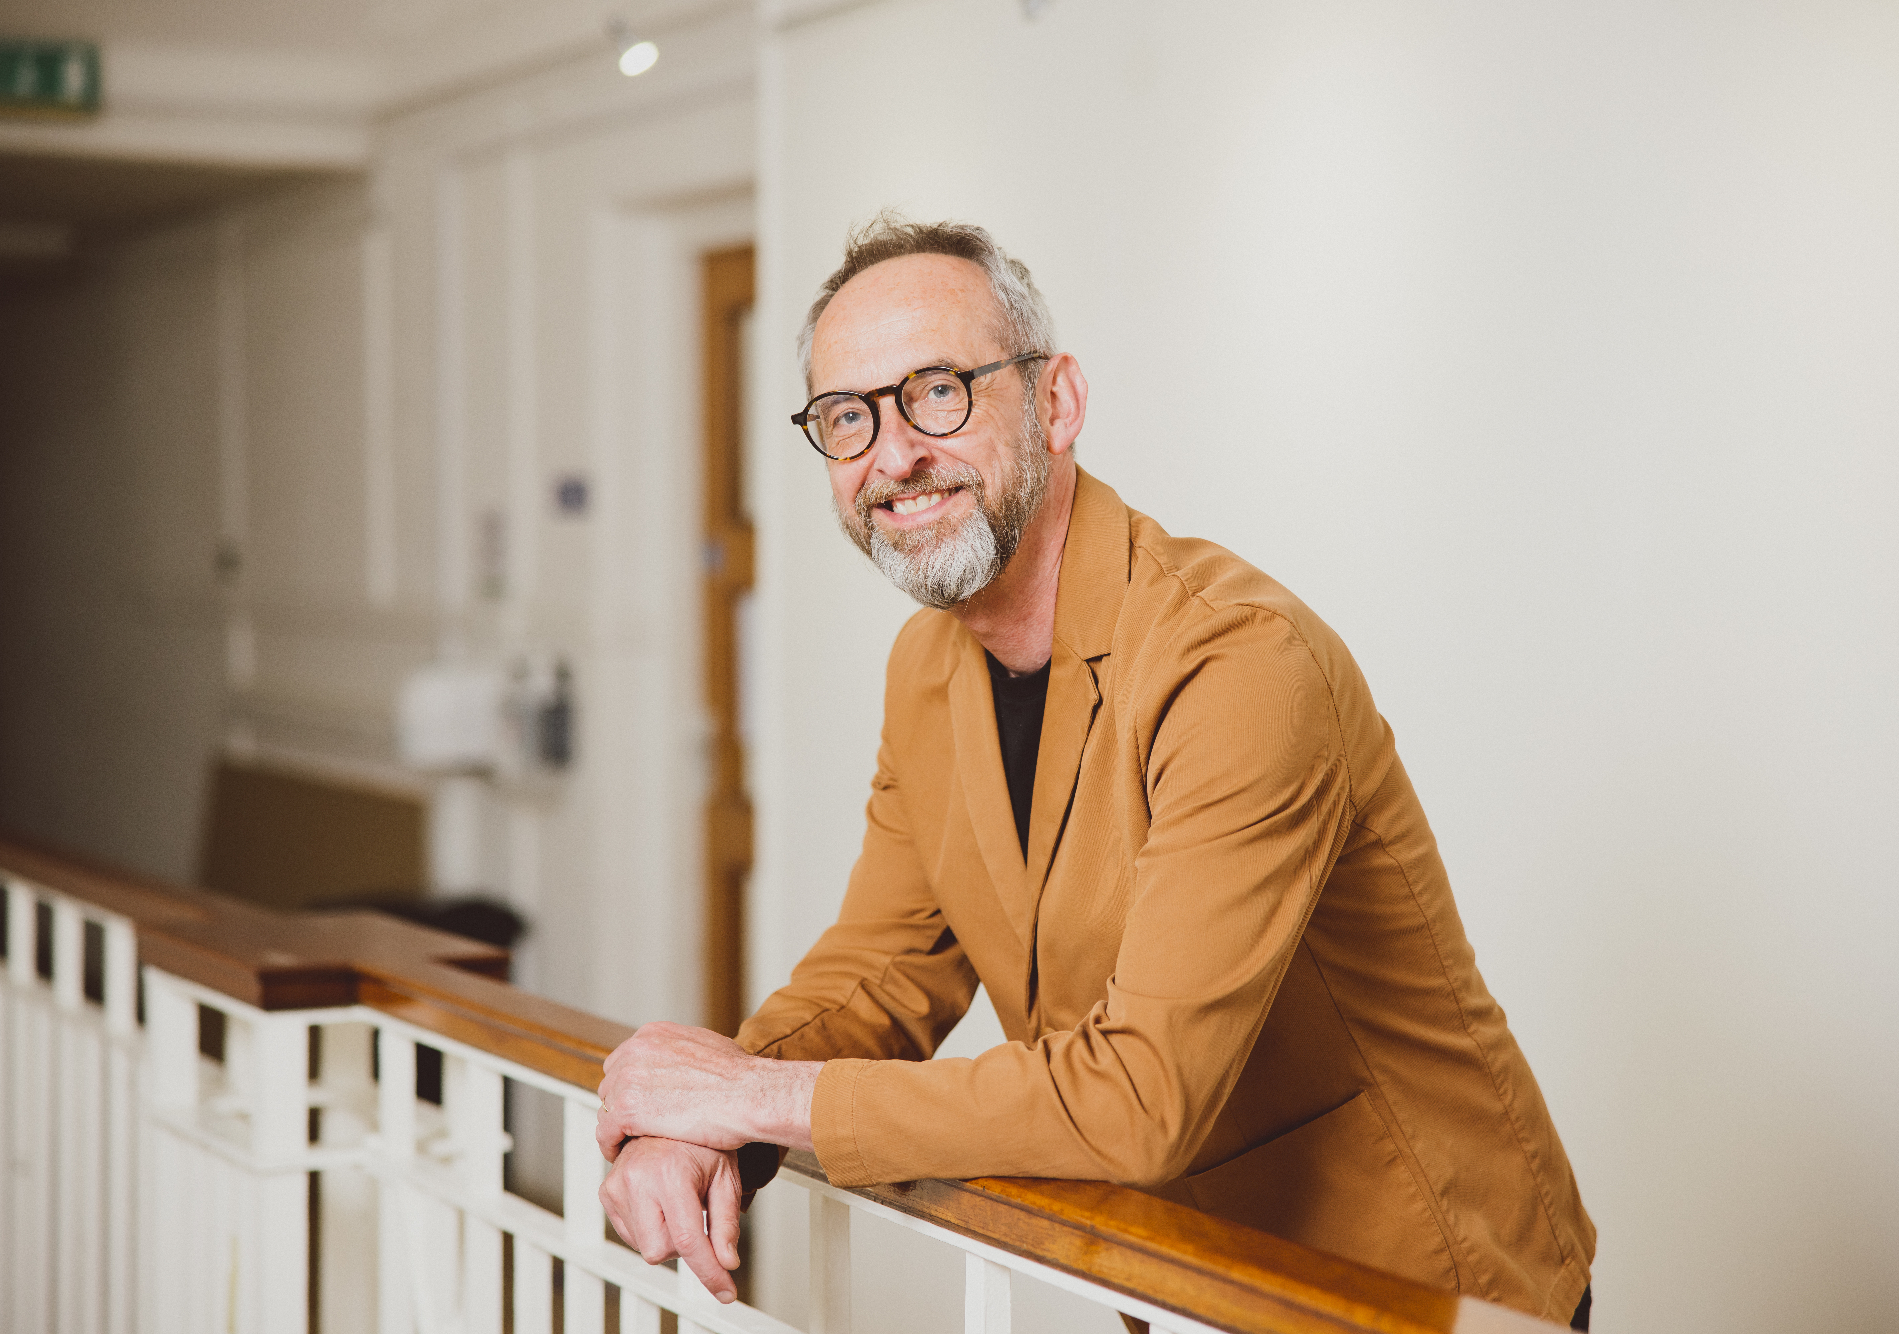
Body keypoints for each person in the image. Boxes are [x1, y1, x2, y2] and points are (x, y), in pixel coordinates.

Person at [594, 216, 1597, 1329]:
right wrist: (702, 1120)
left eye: (936, 389)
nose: (892, 454)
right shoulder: (925, 666)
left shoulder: (1238, 661)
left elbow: (1141, 1097)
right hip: (1179, 1280)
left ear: (1055, 403)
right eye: (847, 416)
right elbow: (880, 975)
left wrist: (751, 1095)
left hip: (1419, 1287)